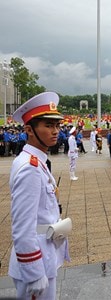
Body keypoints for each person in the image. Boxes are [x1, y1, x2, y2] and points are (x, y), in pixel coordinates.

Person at [9, 92, 70, 299]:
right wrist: (34, 272)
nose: (55, 132)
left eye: (57, 126)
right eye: (48, 125)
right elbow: (22, 226)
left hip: (45, 251)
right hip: (37, 258)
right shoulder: (30, 167)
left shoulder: (34, 160)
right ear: (29, 130)